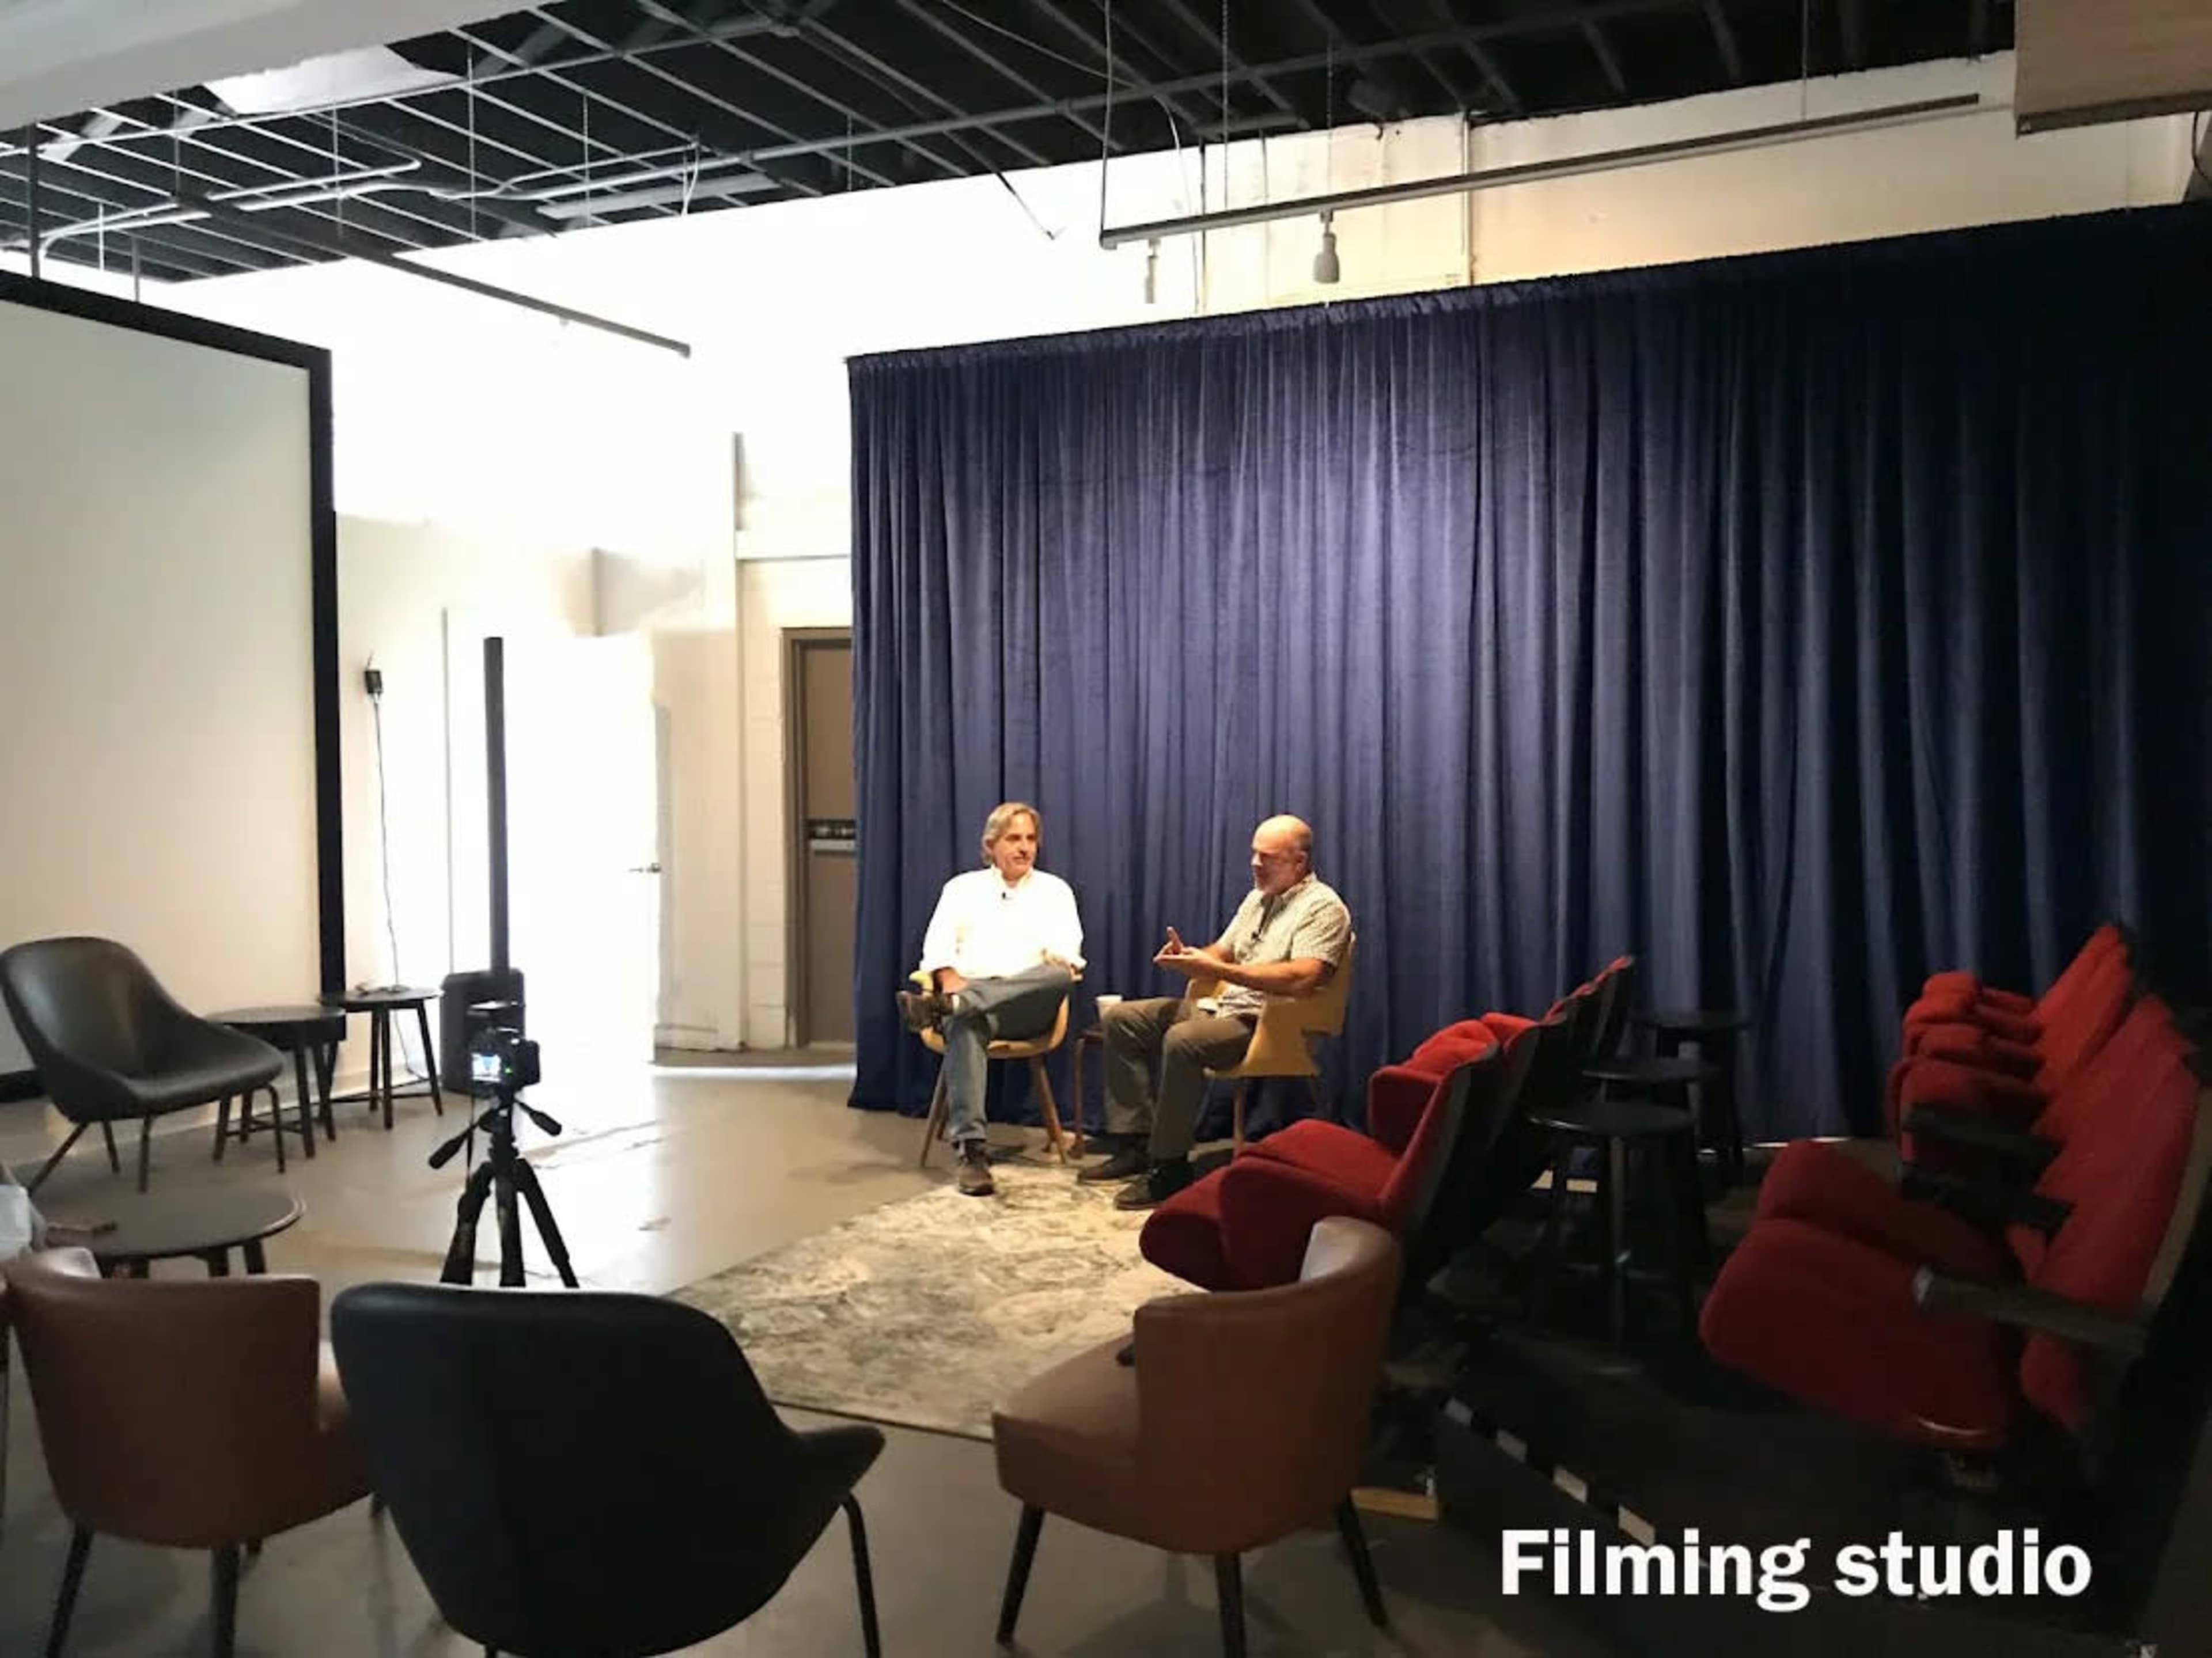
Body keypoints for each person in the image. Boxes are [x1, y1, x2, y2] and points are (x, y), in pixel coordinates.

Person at [1089, 814, 1353, 1210]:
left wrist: (1221, 972)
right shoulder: (1256, 898)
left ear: (1300, 863)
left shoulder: (1325, 908)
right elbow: (1223, 952)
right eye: (1253, 854)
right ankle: (1136, 1142)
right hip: (1221, 1006)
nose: (1255, 864)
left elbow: (1304, 978)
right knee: (1123, 1020)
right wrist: (1193, 959)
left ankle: (1170, 1167)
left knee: (1183, 1041)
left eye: (1268, 857)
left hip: (1266, 1022)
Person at [899, 801, 1082, 1197]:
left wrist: (967, 995)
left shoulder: (1055, 891)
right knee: (966, 1020)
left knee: (1057, 976)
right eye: (1014, 838)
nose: (1024, 847)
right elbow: (938, 955)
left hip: (1028, 1007)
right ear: (991, 844)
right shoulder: (961, 889)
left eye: (1031, 839)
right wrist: (950, 985)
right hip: (969, 1003)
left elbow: (1068, 959)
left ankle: (956, 1006)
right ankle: (972, 1150)